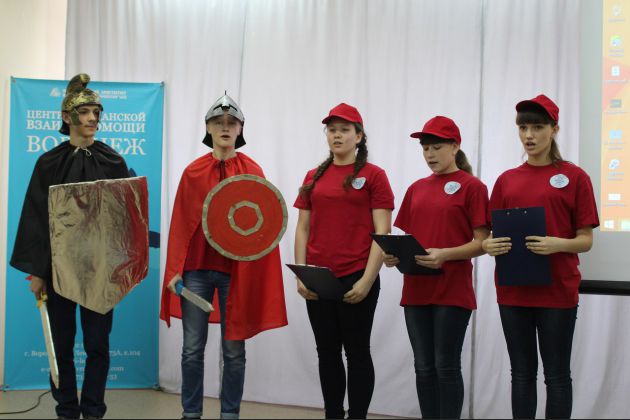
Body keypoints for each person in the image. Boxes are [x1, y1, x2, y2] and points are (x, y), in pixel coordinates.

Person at [159, 93, 287, 420]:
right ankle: (191, 414)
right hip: (196, 272)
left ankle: (230, 415)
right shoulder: (193, 172)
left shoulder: (252, 170)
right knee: (192, 349)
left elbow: (262, 227)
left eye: (231, 123)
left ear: (241, 128)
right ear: (208, 128)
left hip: (235, 273)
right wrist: (174, 270)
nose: (225, 128)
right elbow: (180, 224)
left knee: (234, 350)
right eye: (219, 123)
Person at [10, 73, 130, 419]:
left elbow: (124, 221)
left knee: (97, 345)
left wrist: (121, 269)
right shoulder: (48, 163)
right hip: (58, 270)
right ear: (66, 116)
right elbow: (36, 218)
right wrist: (38, 272)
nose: (93, 118)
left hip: (100, 270)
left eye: (97, 112)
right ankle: (66, 410)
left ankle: (92, 411)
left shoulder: (113, 161)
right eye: (85, 112)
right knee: (61, 345)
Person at [481, 95, 599, 419]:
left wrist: (556, 244)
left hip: (557, 291)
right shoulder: (506, 180)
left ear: (554, 129)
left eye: (537, 127)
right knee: (521, 374)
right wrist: (489, 246)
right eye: (523, 128)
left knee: (557, 375)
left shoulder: (576, 177)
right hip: (514, 292)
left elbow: (586, 240)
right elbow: (490, 235)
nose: (529, 135)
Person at [383, 116, 489, 419]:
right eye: (425, 148)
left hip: (452, 289)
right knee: (423, 367)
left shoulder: (473, 187)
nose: (430, 154)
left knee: (446, 366)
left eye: (436, 147)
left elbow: (482, 242)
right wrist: (394, 256)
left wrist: (446, 254)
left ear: (455, 146)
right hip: (416, 288)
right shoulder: (416, 188)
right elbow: (408, 240)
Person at [293, 103, 394, 419]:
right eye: (332, 130)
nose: (337, 135)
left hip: (357, 275)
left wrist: (367, 280)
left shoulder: (374, 176)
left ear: (359, 136)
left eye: (344, 130)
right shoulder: (313, 177)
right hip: (319, 278)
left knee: (357, 352)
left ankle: (358, 416)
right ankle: (333, 414)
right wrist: (301, 275)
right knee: (326, 352)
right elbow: (302, 228)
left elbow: (382, 231)